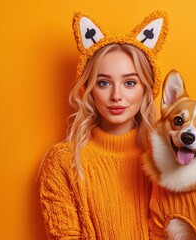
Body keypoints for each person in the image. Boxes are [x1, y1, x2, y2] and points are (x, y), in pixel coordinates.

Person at [38, 11, 169, 239]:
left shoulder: (167, 159)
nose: (116, 95)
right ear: (88, 89)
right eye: (104, 82)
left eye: (130, 82)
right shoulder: (64, 162)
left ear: (147, 89)